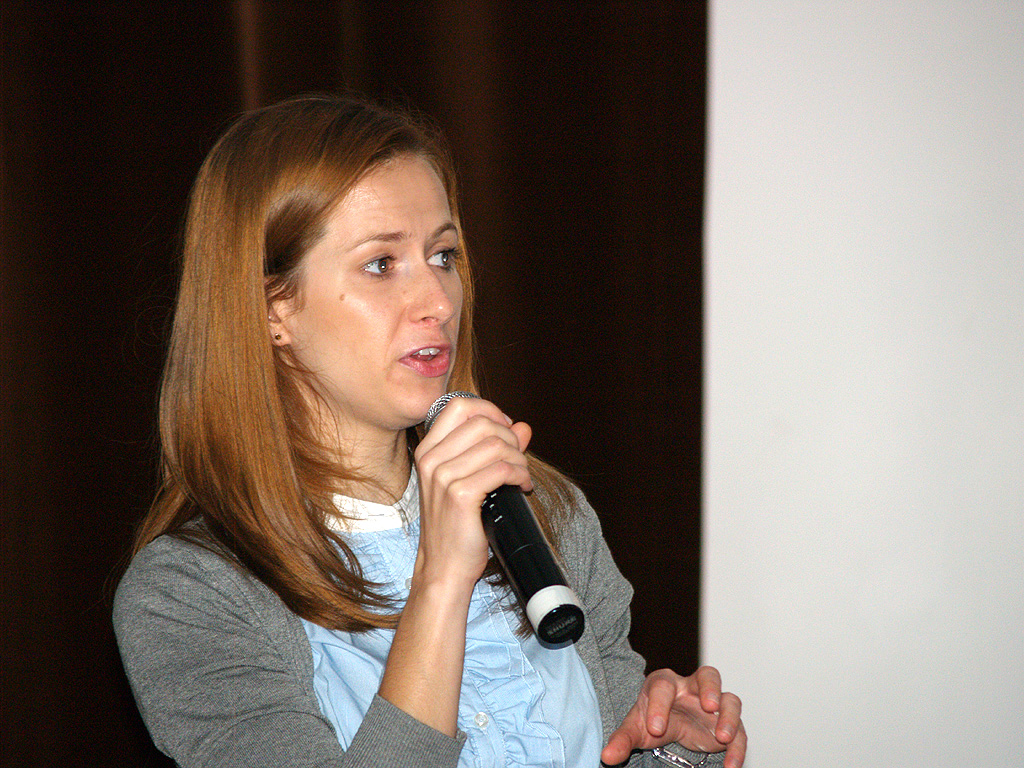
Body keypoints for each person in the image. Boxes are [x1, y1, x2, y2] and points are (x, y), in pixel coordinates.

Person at [113, 93, 746, 768]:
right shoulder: (189, 593)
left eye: (443, 255)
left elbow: (617, 742)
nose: (439, 303)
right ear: (275, 310)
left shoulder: (548, 512)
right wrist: (441, 579)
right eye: (382, 264)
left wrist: (673, 746)